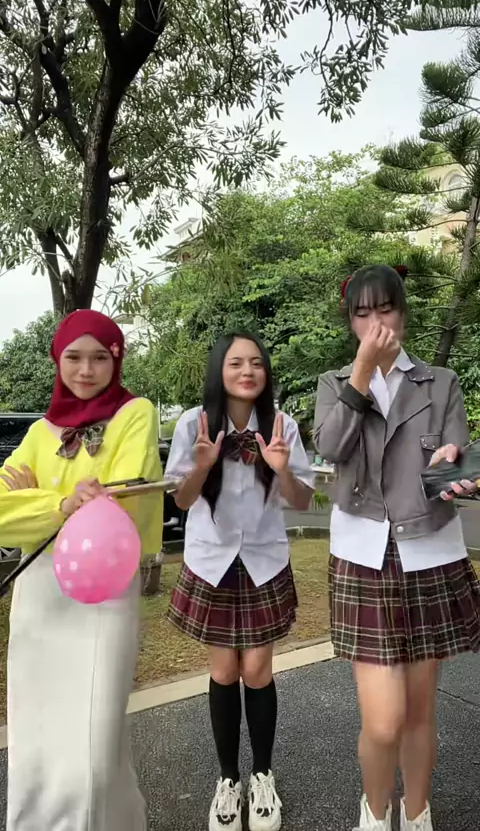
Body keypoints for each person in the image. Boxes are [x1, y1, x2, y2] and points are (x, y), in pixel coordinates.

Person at [314, 264, 480, 831]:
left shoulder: (441, 382)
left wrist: (456, 466)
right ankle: (374, 811)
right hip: (362, 555)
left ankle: (416, 812)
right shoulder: (335, 383)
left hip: (429, 551)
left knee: (418, 710)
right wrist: (362, 372)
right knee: (383, 720)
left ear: (403, 315)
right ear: (350, 322)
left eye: (385, 309)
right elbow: (332, 447)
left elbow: (456, 454)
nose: (375, 322)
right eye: (362, 313)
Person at [0, 309, 164, 831]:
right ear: (58, 360)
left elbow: (122, 501)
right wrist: (63, 504)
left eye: (99, 358)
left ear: (116, 361)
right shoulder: (38, 432)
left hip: (104, 593)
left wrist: (35, 501)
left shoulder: (135, 414)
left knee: (94, 741)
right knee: (36, 734)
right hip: (39, 592)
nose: (86, 370)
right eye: (73, 357)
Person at [164, 331, 314, 831]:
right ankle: (228, 780)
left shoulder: (282, 425)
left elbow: (302, 501)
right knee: (225, 671)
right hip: (212, 561)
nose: (247, 371)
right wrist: (202, 465)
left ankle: (262, 775)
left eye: (256, 363)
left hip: (263, 560)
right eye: (236, 363)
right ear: (219, 370)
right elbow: (182, 500)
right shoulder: (194, 423)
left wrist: (281, 469)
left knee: (257, 670)